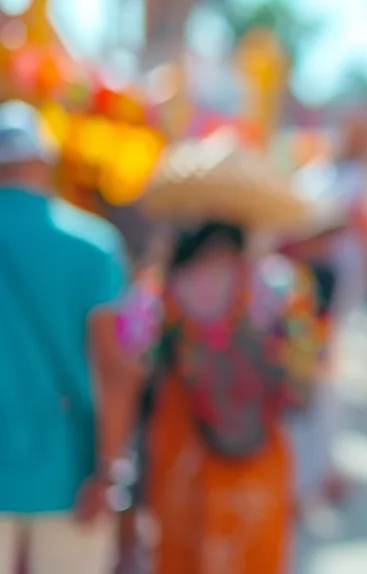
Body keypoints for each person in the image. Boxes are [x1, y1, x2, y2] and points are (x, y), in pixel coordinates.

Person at [123, 134, 320, 574]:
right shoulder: (282, 285)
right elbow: (303, 361)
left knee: (179, 542)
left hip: (179, 431)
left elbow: (131, 352)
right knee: (249, 546)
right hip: (255, 434)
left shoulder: (160, 286)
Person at [0, 100, 137, 574]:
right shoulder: (94, 246)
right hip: (71, 474)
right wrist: (108, 471)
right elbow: (115, 369)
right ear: (45, 163)